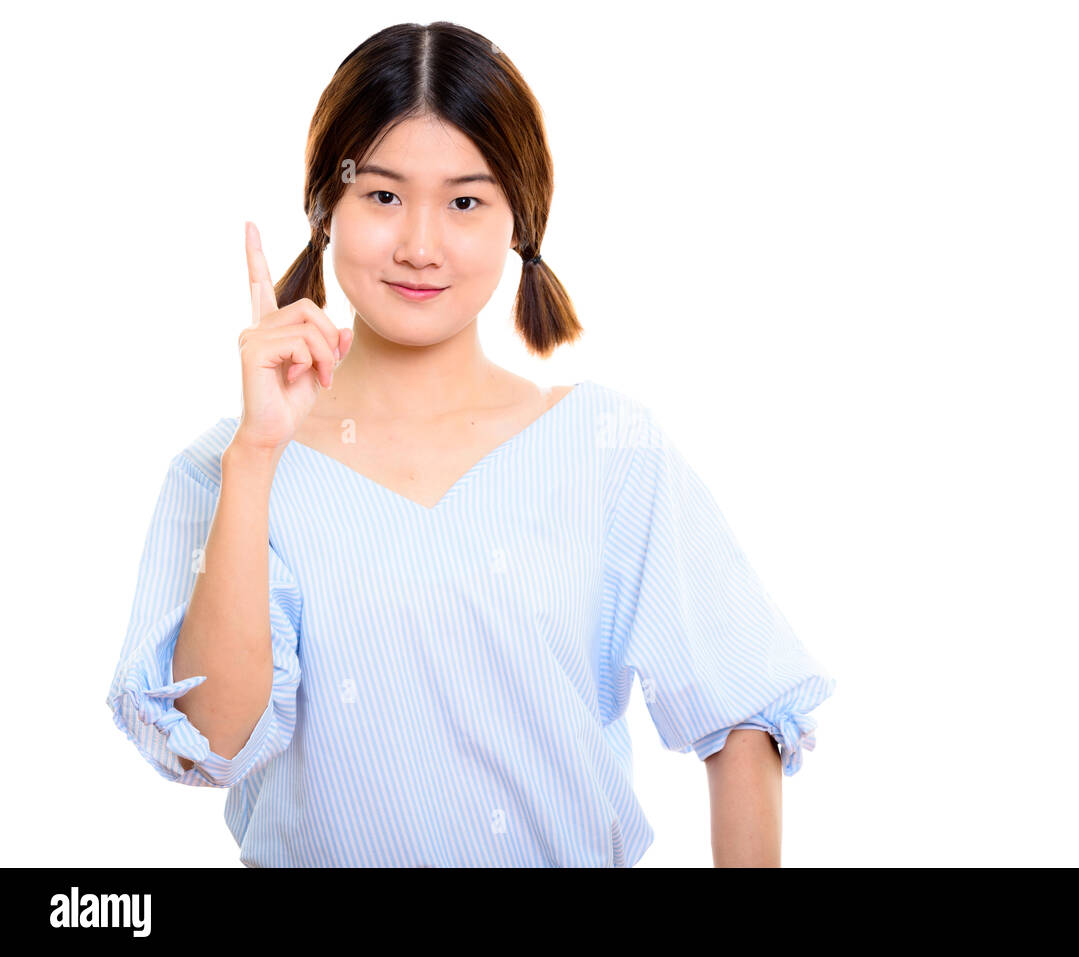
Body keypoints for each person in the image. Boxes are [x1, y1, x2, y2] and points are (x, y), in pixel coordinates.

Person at [105, 20, 835, 867]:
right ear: (324, 207)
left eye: (464, 201)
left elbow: (745, 706)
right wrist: (259, 455)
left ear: (518, 219)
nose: (420, 244)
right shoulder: (226, 468)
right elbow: (209, 740)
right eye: (381, 195)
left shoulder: (606, 451)